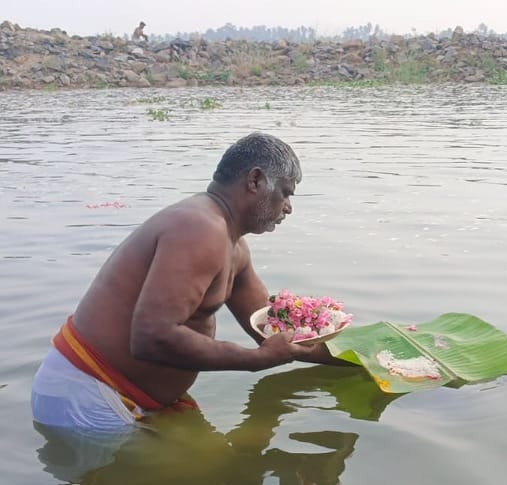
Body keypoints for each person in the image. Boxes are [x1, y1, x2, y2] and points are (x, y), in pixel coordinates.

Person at [31, 132, 348, 431]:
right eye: (286, 193)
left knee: (224, 479)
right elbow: (152, 337)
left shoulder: (234, 246)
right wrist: (255, 361)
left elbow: (275, 330)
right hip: (91, 393)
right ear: (255, 181)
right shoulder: (198, 226)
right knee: (208, 479)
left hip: (145, 400)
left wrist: (375, 356)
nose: (288, 207)